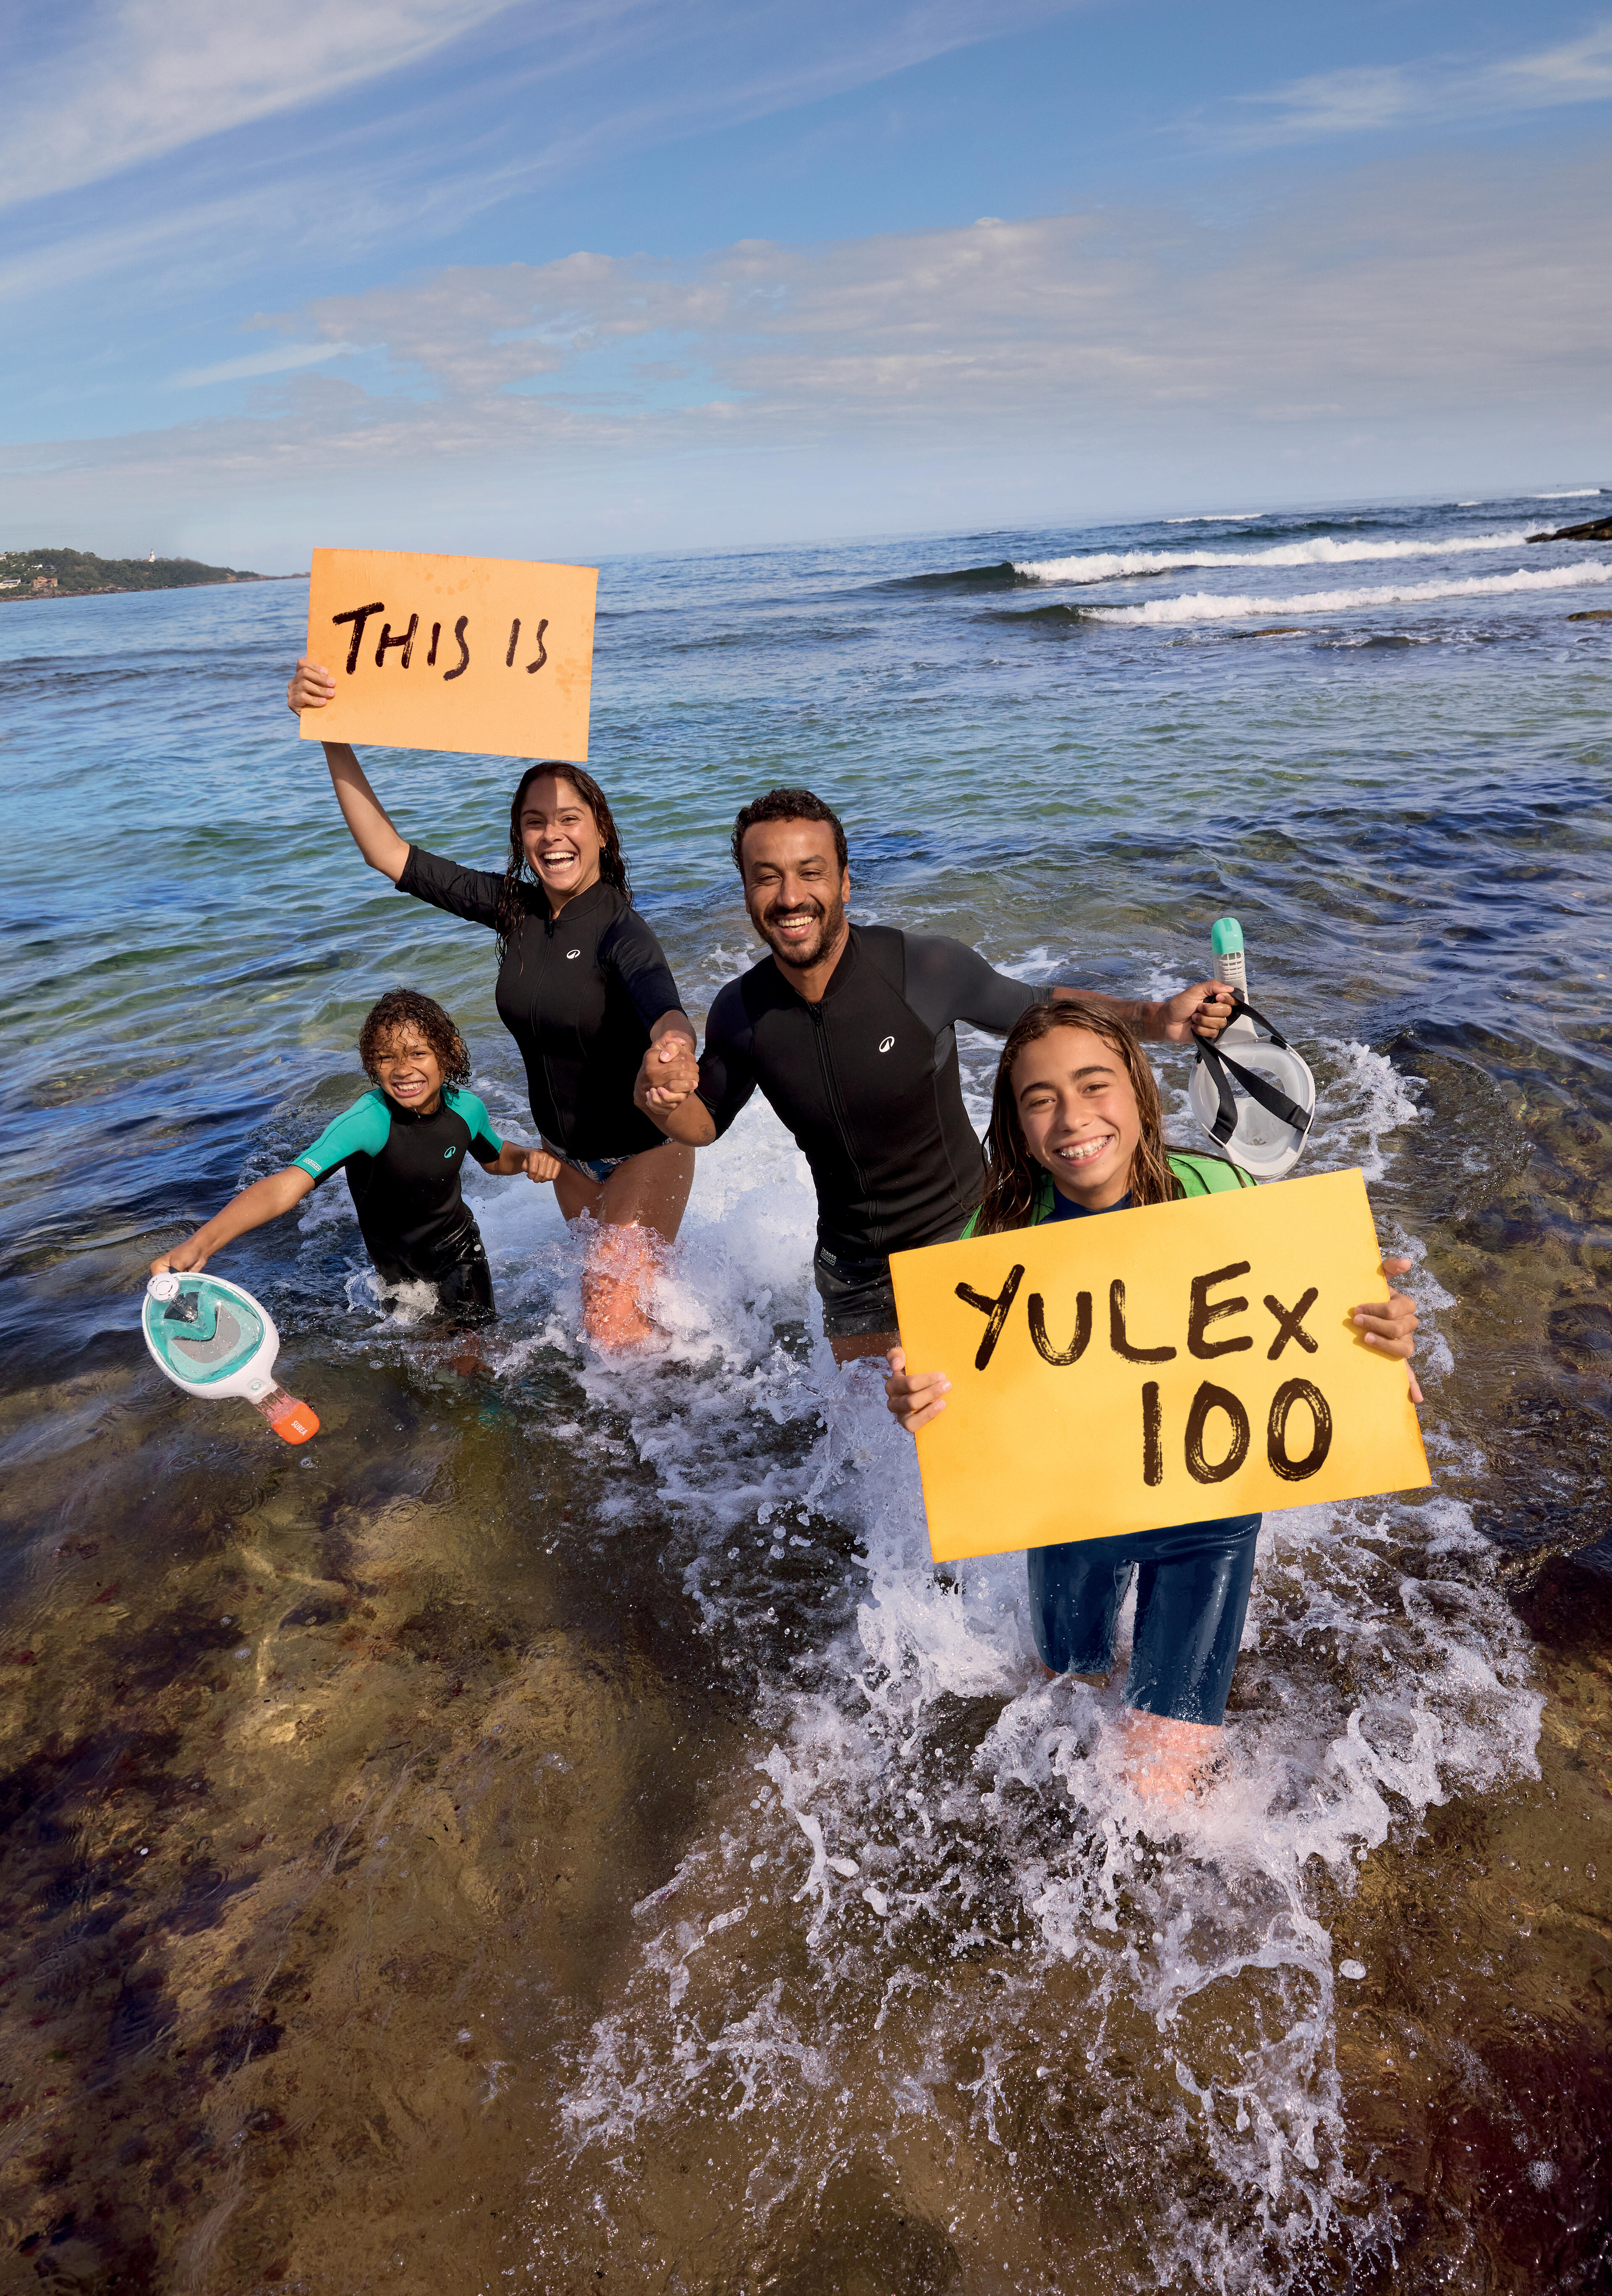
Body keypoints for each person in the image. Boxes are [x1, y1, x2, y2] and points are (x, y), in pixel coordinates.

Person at [881, 998, 1423, 1800]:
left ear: (1138, 1092)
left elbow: (1311, 1326)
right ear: (1020, 1125)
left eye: (1095, 1086)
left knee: (1157, 1793)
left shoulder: (1220, 1189)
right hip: (1071, 1524)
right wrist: (913, 1396)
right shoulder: (989, 1241)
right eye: (1041, 1099)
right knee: (1061, 1711)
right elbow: (956, 1406)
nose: (1072, 1118)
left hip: (1209, 1523)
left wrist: (1375, 1344)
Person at [632, 786, 1235, 1361]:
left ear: (844, 882)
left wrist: (1156, 1018)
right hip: (852, 1273)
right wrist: (661, 1102)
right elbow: (706, 1120)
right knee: (882, 1446)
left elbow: (1037, 1006)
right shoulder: (742, 1010)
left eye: (810, 872)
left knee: (993, 1434)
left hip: (967, 1239)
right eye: (767, 877)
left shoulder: (921, 968)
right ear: (746, 893)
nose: (791, 896)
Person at [289, 657, 696, 1347]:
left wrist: (675, 1043)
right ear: (521, 837)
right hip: (567, 1155)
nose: (552, 835)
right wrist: (331, 732)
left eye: (569, 818)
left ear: (601, 829)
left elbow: (660, 997)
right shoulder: (516, 912)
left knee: (607, 1309)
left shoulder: (622, 928)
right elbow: (388, 854)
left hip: (645, 1148)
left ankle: (675, 1443)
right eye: (535, 822)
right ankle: (686, 1411)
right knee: (625, 1317)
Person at [150, 987, 557, 1324]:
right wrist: (202, 1245)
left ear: (447, 1055)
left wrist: (526, 1159)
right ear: (371, 1064)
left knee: (471, 1355)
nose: (403, 1069)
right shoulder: (368, 1121)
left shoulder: (466, 1109)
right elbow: (284, 1189)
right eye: (386, 1058)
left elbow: (494, 1157)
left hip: (459, 1251)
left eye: (418, 1054)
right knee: (423, 1369)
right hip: (396, 1273)